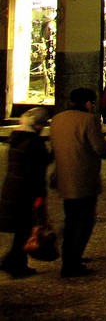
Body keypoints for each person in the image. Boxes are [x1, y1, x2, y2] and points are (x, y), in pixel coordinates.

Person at [48, 88, 106, 278]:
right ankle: (72, 263)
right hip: (83, 179)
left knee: (71, 220)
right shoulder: (88, 121)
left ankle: (70, 258)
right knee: (84, 222)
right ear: (88, 103)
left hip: (64, 178)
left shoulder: (57, 119)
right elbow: (100, 149)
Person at [0, 107, 51, 279]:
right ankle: (12, 263)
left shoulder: (17, 137)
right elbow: (34, 170)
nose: (44, 127)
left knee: (22, 228)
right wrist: (38, 195)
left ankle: (16, 263)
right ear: (37, 124)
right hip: (26, 190)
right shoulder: (33, 142)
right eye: (43, 123)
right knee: (25, 228)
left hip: (14, 187)